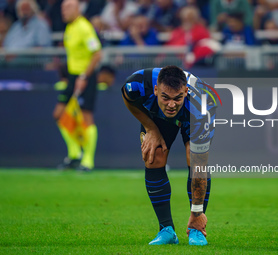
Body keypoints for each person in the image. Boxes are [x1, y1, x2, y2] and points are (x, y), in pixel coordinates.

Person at [121, 66, 216, 245]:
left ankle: (197, 229)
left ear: (186, 91)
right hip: (157, 117)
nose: (171, 105)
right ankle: (166, 230)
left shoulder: (203, 107)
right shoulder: (137, 84)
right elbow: (128, 99)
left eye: (177, 98)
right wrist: (150, 128)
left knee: (194, 157)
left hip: (192, 116)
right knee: (154, 155)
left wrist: (197, 212)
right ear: (156, 90)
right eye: (165, 97)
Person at [53, 0, 102, 172]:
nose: (63, 11)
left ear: (77, 9)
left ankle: (88, 161)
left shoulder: (84, 27)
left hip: (86, 77)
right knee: (59, 115)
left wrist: (84, 75)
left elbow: (97, 54)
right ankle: (74, 154)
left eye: (67, 8)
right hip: (72, 77)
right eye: (62, 8)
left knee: (86, 117)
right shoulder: (70, 27)